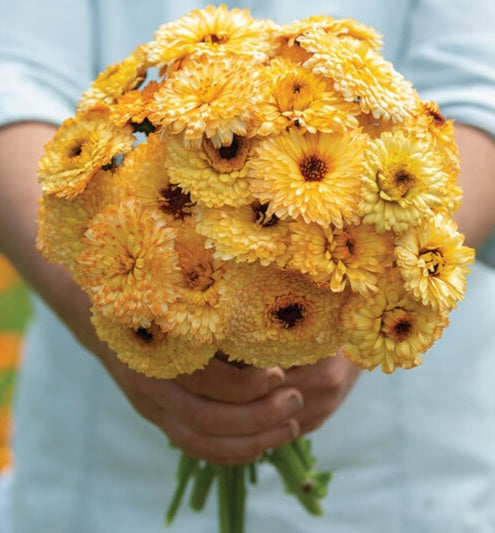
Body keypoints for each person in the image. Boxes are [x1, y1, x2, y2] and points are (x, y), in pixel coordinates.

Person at [0, 1, 494, 532]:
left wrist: (359, 313)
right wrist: (109, 307)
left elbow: (479, 86)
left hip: (398, 474)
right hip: (102, 468)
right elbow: (15, 78)